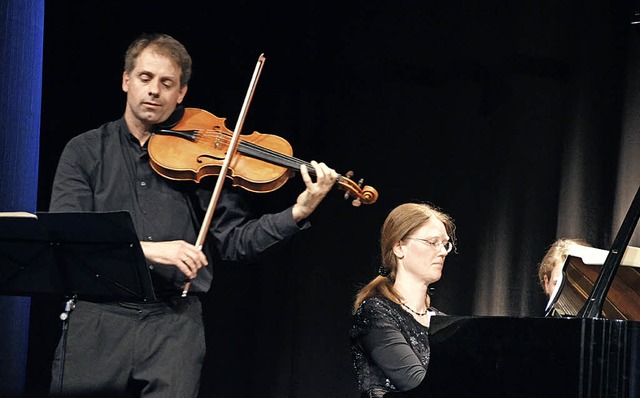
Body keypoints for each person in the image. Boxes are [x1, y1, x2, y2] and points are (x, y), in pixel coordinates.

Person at [47, 33, 338, 397]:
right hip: (97, 318)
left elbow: (237, 242)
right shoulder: (86, 151)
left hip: (174, 323)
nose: (154, 90)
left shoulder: (202, 160)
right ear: (126, 81)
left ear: (181, 93)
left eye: (166, 83)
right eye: (145, 78)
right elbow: (68, 235)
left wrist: (299, 210)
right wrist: (152, 250)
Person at [350, 202, 456, 398]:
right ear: (399, 247)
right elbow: (417, 383)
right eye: (433, 242)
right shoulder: (376, 312)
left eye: (445, 244)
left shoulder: (444, 323)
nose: (442, 252)